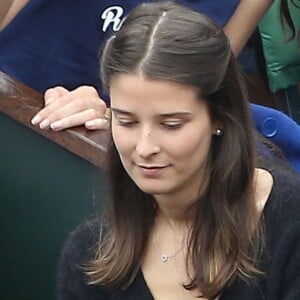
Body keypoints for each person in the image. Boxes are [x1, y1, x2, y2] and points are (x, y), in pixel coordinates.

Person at [57, 2, 300, 299]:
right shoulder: (87, 258)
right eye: (127, 121)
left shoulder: (290, 225)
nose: (145, 148)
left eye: (171, 124)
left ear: (219, 117)